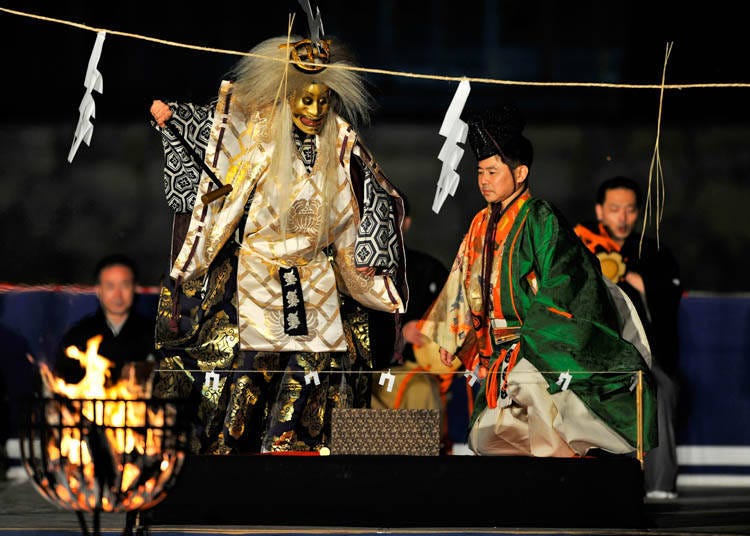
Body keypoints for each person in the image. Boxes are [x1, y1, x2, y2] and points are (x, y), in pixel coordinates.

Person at [148, 13, 407, 455]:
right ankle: (233, 457)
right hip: (258, 269)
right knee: (247, 365)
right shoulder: (260, 135)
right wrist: (176, 123)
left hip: (314, 277)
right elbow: (217, 147)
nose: (314, 111)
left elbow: (372, 196)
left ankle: (296, 454)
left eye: (323, 101)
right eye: (305, 100)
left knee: (318, 365)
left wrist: (370, 247)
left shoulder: (341, 141)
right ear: (287, 97)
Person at [419, 105, 657, 457]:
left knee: (526, 384)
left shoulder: (539, 216)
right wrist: (454, 334)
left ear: (520, 173)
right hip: (498, 349)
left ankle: (560, 470)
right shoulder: (480, 223)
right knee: (484, 437)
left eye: (493, 172)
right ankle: (544, 472)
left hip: (537, 343)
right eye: (480, 172)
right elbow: (462, 276)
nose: (484, 180)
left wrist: (536, 336)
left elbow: (566, 279)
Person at [574, 176, 683, 497]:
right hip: (593, 351)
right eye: (615, 209)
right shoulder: (582, 248)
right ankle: (582, 485)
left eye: (630, 210)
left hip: (645, 354)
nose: (623, 217)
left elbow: (670, 297)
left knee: (659, 390)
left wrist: (637, 280)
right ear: (599, 210)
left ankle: (660, 484)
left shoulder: (654, 252)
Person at [369, 191, 456, 452]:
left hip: (415, 369)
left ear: (406, 223)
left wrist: (426, 331)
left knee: (421, 389)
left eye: (395, 218)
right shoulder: (359, 273)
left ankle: (421, 472)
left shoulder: (430, 270)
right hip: (370, 370)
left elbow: (455, 322)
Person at [54, 253, 156, 386]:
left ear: (135, 288)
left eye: (124, 285)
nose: (118, 295)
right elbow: (63, 380)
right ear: (98, 290)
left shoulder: (154, 334)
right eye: (110, 286)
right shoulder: (78, 335)